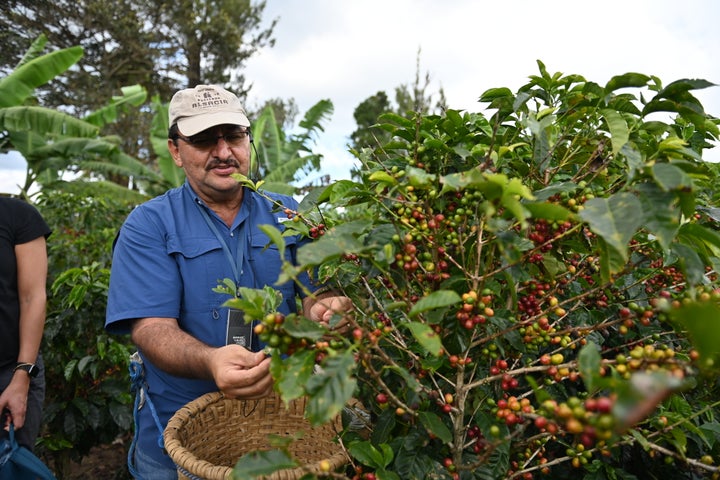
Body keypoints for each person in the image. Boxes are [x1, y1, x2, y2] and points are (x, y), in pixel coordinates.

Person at [105, 84, 351, 479]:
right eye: (204, 140)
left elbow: (315, 291)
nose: (223, 152)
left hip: (283, 428)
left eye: (234, 137)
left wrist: (324, 307)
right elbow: (151, 328)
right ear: (175, 150)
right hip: (180, 434)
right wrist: (211, 360)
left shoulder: (288, 213)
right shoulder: (150, 225)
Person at [0, 196, 51, 452]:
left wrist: (22, 377)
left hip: (9, 373)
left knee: (11, 464)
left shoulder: (17, 216)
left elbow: (33, 298)